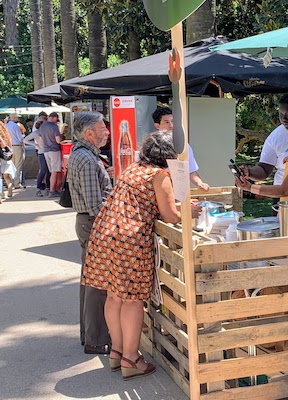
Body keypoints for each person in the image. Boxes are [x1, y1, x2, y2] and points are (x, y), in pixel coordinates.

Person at [82, 130, 201, 380]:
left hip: (105, 234)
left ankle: (116, 352)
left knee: (114, 297)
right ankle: (131, 359)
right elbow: (169, 215)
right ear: (168, 155)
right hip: (130, 240)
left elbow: (145, 202)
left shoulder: (133, 169)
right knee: (133, 300)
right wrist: (189, 213)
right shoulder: (160, 175)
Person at [67, 111, 113, 355]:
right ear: (89, 134)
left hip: (87, 223)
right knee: (97, 284)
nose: (107, 132)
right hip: (93, 224)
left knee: (90, 282)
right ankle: (95, 339)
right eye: (103, 128)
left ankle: (90, 335)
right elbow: (96, 206)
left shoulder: (83, 155)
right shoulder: (86, 159)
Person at [151, 107, 209, 191]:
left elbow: (191, 170)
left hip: (180, 192)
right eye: (166, 122)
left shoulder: (184, 145)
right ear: (157, 125)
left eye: (173, 121)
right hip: (156, 191)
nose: (171, 125)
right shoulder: (152, 145)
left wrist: (200, 183)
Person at [24, 120, 50, 197]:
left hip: (48, 152)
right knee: (43, 170)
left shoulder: (46, 132)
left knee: (49, 170)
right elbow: (25, 140)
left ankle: (48, 187)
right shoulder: (36, 133)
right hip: (41, 152)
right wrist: (35, 144)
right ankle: (38, 188)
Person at [39, 112, 62, 197]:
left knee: (51, 171)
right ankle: (52, 191)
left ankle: (51, 189)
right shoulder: (54, 127)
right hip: (54, 150)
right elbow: (58, 140)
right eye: (56, 119)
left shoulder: (42, 126)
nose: (56, 121)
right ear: (54, 118)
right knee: (54, 172)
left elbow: (40, 139)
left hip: (46, 150)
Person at [5, 113, 25, 188]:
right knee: (18, 165)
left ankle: (10, 182)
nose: (18, 119)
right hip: (17, 146)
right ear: (13, 118)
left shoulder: (6, 126)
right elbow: (20, 138)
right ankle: (16, 183)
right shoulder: (16, 126)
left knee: (10, 165)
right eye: (17, 117)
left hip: (8, 147)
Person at [0, 122, 17, 199]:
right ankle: (9, 186)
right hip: (6, 156)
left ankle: (2, 193)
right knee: (6, 175)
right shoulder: (7, 135)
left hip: (0, 155)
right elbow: (10, 146)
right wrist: (11, 155)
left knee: (0, 176)